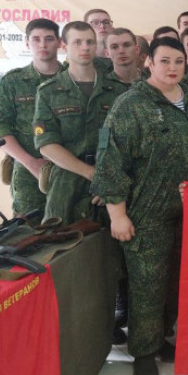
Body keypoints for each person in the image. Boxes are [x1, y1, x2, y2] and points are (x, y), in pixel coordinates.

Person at [92, 37, 188, 375]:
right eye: (165, 61)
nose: (172, 68)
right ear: (149, 62)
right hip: (147, 213)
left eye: (178, 61)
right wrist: (117, 215)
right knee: (147, 286)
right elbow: (111, 163)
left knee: (175, 281)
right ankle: (143, 352)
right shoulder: (131, 105)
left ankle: (160, 340)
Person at [33, 21, 127, 224]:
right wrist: (92, 174)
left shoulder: (117, 90)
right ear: (64, 46)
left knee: (111, 240)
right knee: (60, 238)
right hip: (66, 182)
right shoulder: (49, 91)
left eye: (90, 42)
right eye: (77, 42)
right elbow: (47, 145)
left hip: (111, 178)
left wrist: (108, 180)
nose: (85, 47)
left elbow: (127, 140)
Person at [0, 18, 61, 217]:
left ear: (60, 42)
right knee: (28, 229)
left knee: (74, 229)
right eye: (36, 39)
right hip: (27, 175)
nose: (42, 44)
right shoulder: (13, 82)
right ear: (27, 43)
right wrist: (30, 163)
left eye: (49, 39)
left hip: (70, 171)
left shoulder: (73, 79)